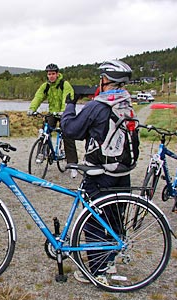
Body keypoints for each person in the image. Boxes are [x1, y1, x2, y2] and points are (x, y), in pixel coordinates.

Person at [60, 59, 134, 283]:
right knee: (113, 220)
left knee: (93, 219)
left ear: (107, 81)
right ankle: (109, 261)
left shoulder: (97, 105)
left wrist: (70, 106)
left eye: (101, 79)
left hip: (99, 172)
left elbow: (71, 129)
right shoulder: (126, 103)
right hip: (122, 171)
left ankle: (96, 270)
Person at [27, 63, 79, 178]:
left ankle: (72, 164)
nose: (51, 76)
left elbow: (67, 97)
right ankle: (41, 154)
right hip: (52, 112)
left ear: (57, 74)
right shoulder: (46, 86)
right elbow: (38, 97)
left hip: (65, 113)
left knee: (67, 135)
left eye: (53, 74)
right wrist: (32, 109)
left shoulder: (64, 84)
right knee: (44, 131)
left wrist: (63, 111)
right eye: (49, 74)